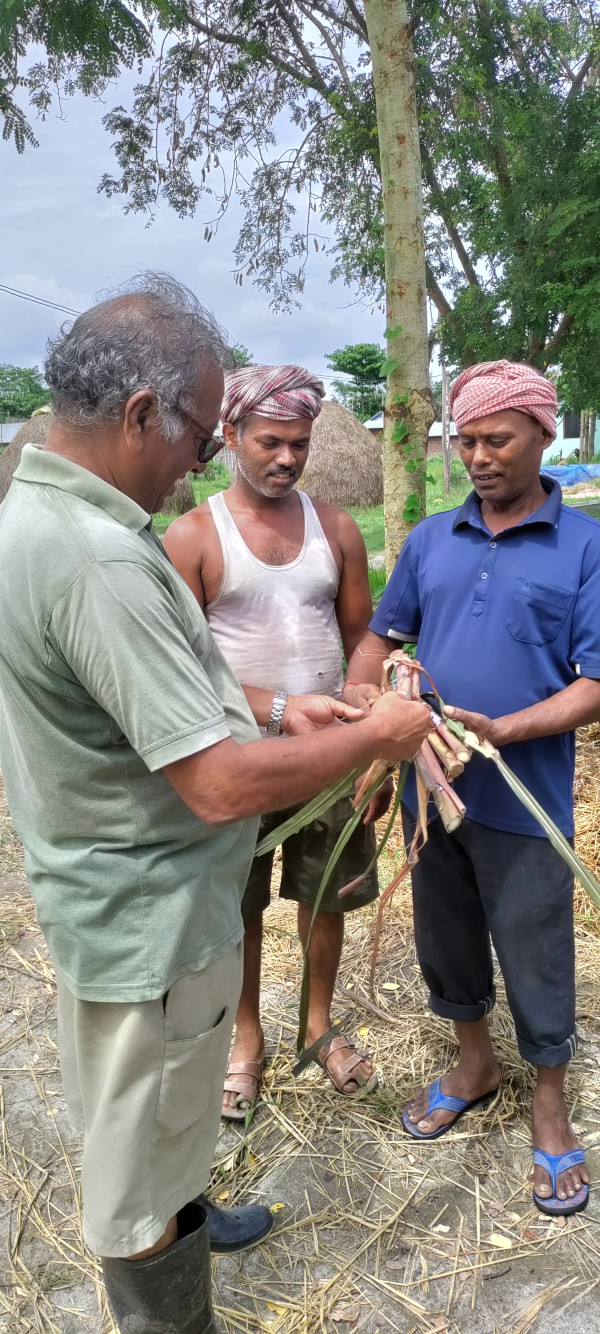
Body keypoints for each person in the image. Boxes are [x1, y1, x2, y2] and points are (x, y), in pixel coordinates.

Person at [0, 274, 430, 1334]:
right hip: (146, 916)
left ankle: (188, 1210)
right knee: (136, 1158)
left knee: (172, 1110)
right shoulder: (104, 560)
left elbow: (157, 697)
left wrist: (283, 707)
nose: (201, 461)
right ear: (142, 412)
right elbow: (218, 781)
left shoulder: (49, 518)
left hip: (142, 896)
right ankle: (168, 1296)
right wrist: (375, 736)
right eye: (202, 436)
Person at [343, 360, 600, 1218]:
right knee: (445, 936)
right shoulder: (429, 540)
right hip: (433, 796)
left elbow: (594, 684)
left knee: (535, 948)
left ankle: (551, 1105)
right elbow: (380, 639)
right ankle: (475, 1063)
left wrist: (505, 729)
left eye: (498, 439)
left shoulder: (585, 546)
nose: (479, 457)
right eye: (467, 440)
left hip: (524, 799)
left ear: (543, 434)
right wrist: (368, 708)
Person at [164, 364, 390, 1111]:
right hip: (240, 757)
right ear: (231, 436)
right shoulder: (194, 537)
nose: (287, 458)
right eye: (270, 442)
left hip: (328, 752)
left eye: (300, 443)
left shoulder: (337, 529)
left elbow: (362, 638)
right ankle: (246, 1037)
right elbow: (180, 671)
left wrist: (365, 705)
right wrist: (279, 706)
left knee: (326, 894)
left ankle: (317, 1026)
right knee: (241, 904)